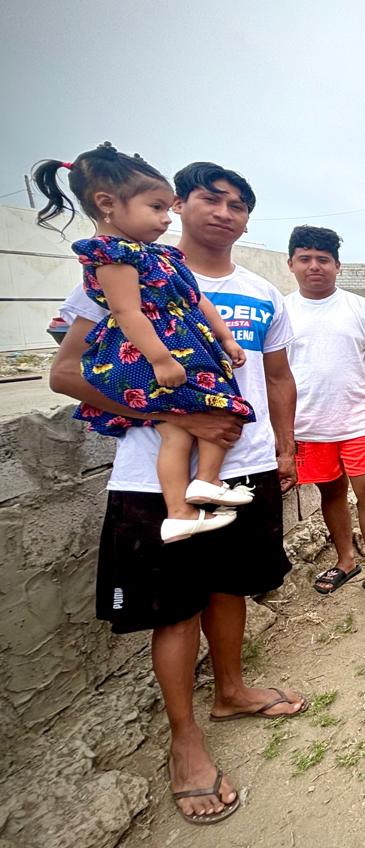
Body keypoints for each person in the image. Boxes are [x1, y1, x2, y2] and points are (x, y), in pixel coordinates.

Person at [51, 160, 305, 825]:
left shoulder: (261, 293)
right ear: (179, 205)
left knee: (228, 588)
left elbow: (278, 378)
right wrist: (178, 417)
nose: (224, 212)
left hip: (245, 464)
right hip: (151, 476)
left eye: (238, 205)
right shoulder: (122, 271)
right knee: (175, 610)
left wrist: (285, 447)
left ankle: (231, 691)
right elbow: (67, 373)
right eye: (208, 199)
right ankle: (184, 740)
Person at [34, 144, 256, 543]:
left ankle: (196, 494)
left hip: (194, 363)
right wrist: (161, 359)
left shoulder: (163, 259)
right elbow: (126, 313)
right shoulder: (114, 259)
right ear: (107, 204)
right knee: (184, 424)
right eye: (156, 207)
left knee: (210, 416)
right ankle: (184, 504)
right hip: (152, 377)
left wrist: (224, 337)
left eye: (164, 208)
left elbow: (195, 298)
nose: (164, 218)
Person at [283, 225, 365, 599]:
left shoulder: (360, 309)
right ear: (291, 264)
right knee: (331, 493)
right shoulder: (281, 311)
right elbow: (274, 375)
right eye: (305, 259)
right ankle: (346, 560)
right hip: (308, 424)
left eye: (323, 259)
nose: (314, 266)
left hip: (360, 421)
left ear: (337, 266)